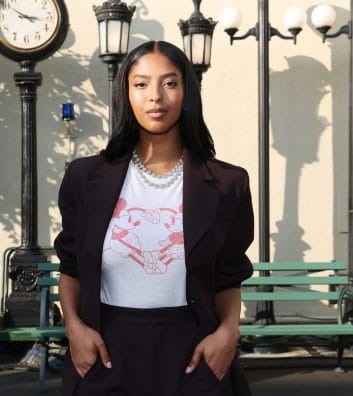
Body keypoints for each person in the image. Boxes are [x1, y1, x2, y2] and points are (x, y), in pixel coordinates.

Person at [54, 40, 254, 396]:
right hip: (106, 351)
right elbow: (71, 266)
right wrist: (74, 329)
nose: (155, 96)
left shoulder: (227, 183)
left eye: (170, 82)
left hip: (194, 353)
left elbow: (229, 275)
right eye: (141, 83)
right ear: (126, 94)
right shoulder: (84, 178)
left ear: (187, 93)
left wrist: (228, 333)